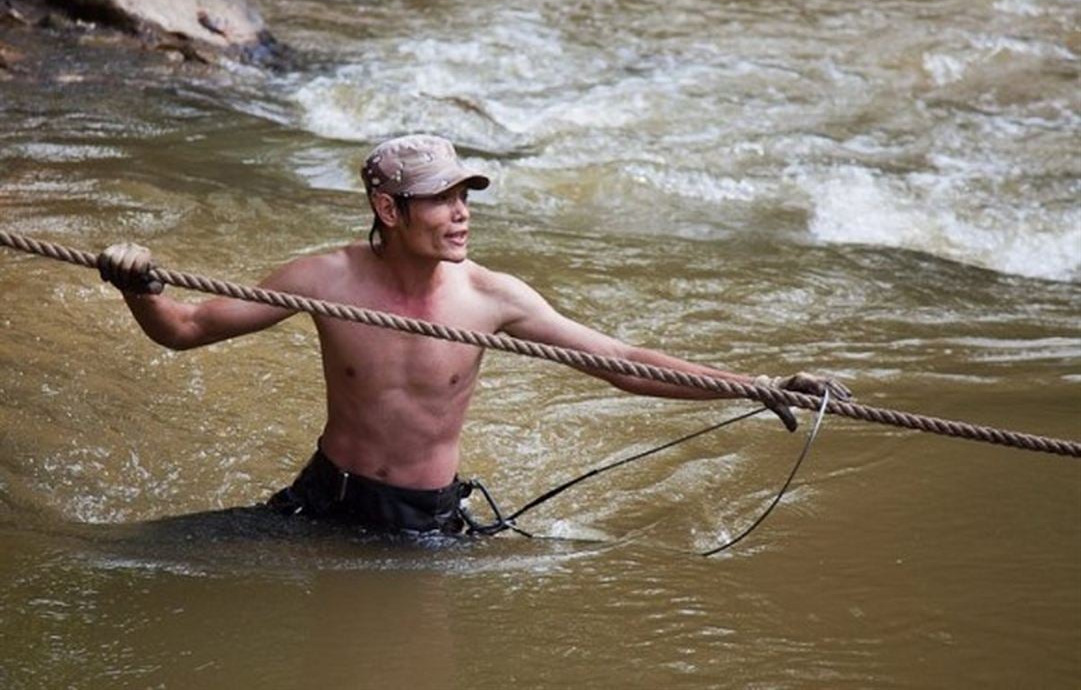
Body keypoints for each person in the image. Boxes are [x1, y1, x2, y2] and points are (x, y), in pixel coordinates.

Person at [99, 134, 850, 536]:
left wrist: (754, 385)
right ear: (387, 209)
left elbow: (621, 363)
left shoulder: (492, 298)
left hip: (421, 525)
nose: (460, 213)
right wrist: (142, 287)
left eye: (465, 195)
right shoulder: (324, 279)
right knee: (135, 558)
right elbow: (186, 329)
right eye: (440, 199)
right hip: (321, 501)